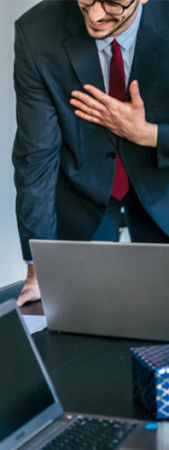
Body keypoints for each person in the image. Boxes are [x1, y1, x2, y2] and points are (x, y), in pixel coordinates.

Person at [13, 0, 169, 306]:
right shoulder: (36, 33)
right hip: (82, 198)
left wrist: (148, 134)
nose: (95, 15)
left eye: (112, 3)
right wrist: (37, 268)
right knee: (83, 323)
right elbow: (35, 159)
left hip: (164, 192)